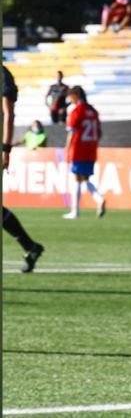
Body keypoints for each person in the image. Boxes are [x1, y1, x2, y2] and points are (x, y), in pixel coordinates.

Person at [2, 65, 45, 273]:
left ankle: (31, 246)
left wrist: (5, 149)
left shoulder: (3, 75)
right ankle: (31, 246)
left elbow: (8, 112)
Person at [63, 86, 106, 219]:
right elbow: (99, 133)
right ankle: (99, 200)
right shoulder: (93, 111)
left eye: (71, 96)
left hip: (79, 149)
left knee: (76, 178)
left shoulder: (77, 111)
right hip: (91, 149)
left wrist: (67, 148)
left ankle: (75, 211)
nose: (70, 99)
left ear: (76, 95)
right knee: (86, 178)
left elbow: (72, 132)